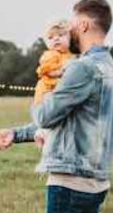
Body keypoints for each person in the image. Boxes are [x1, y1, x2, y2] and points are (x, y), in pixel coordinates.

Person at [0, 0, 113, 213]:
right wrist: (16, 134)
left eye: (72, 25)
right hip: (96, 182)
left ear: (83, 25)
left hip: (70, 182)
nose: (69, 31)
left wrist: (42, 89)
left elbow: (45, 116)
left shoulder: (82, 68)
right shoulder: (109, 67)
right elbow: (67, 120)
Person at [34, 20, 75, 148]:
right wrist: (62, 72)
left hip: (58, 91)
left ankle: (47, 135)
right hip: (47, 91)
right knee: (49, 114)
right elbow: (48, 70)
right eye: (51, 37)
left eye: (61, 35)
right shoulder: (50, 55)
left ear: (70, 38)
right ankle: (41, 133)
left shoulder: (71, 55)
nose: (56, 39)